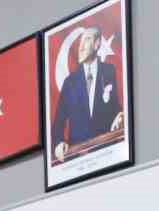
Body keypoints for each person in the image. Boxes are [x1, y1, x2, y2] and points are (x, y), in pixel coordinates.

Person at [50, 25, 125, 161]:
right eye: (80, 41)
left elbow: (114, 107)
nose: (81, 46)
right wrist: (58, 143)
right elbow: (58, 125)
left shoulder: (109, 71)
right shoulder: (69, 83)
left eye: (87, 40)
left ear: (97, 44)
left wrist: (120, 115)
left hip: (108, 153)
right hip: (78, 158)